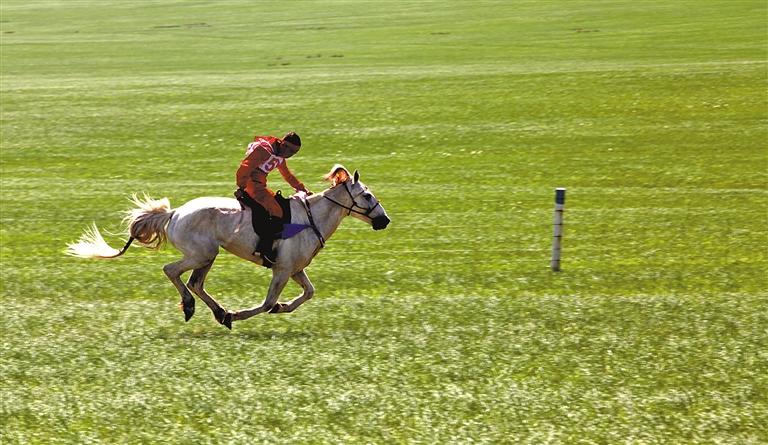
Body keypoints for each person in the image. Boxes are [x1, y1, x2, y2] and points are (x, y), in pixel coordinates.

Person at [235, 132, 311, 268]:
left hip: (260, 185)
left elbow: (287, 175)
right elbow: (245, 167)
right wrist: (241, 186)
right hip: (252, 185)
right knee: (276, 211)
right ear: (283, 144)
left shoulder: (280, 156)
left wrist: (302, 190)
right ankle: (264, 249)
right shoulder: (264, 150)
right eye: (291, 151)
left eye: (294, 153)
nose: (291, 155)